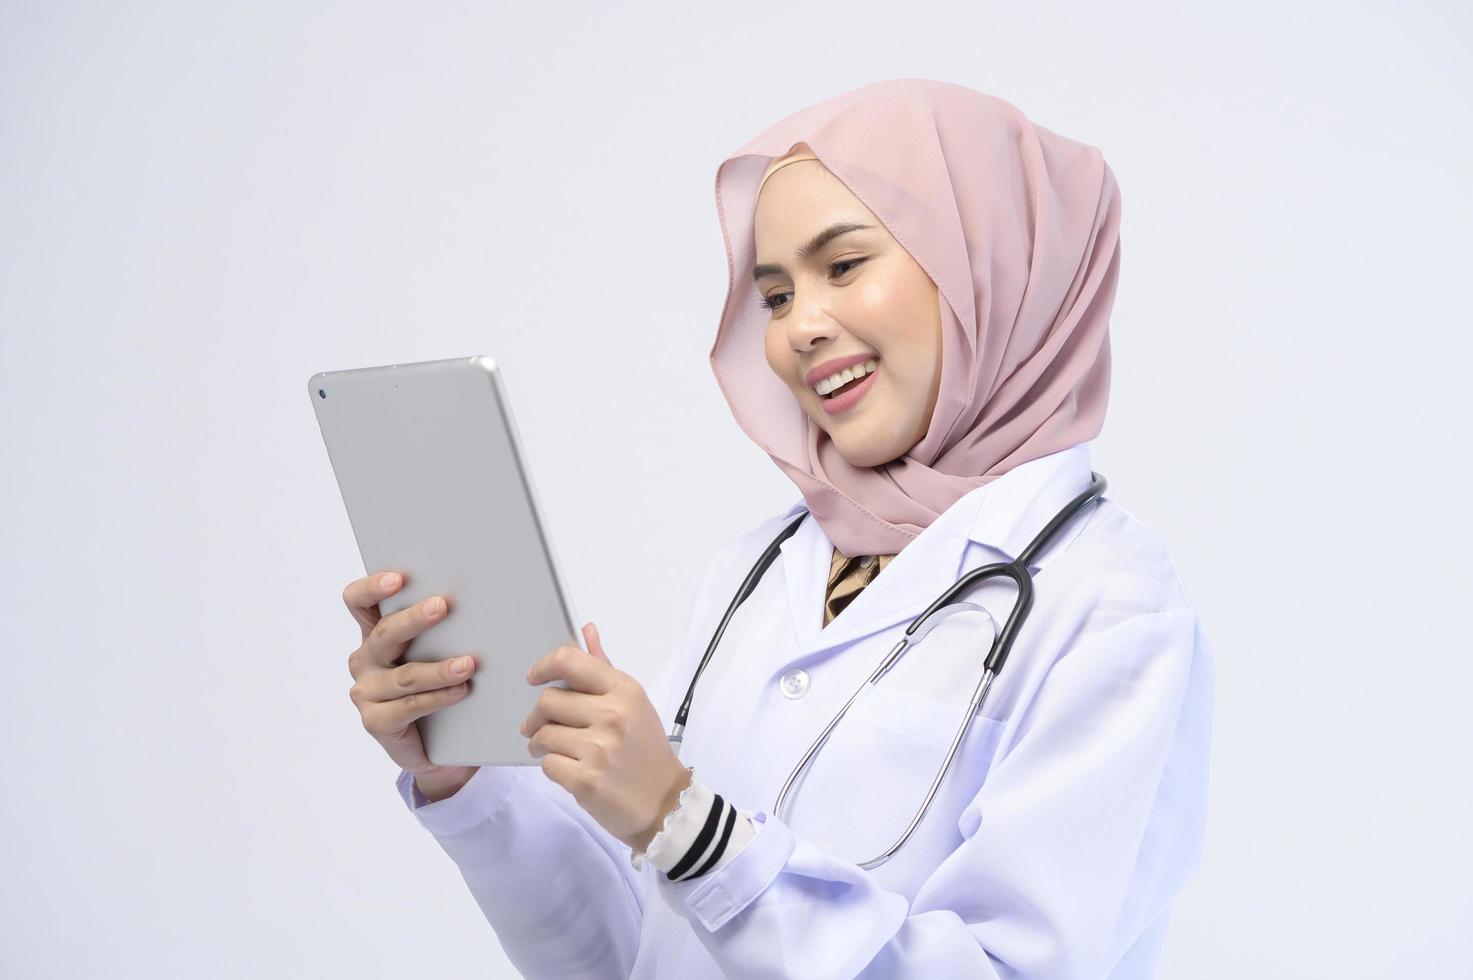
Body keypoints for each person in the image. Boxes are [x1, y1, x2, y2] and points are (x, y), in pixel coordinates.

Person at [341, 77, 1214, 979]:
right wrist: (467, 774)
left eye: (841, 266)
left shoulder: (1108, 607)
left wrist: (686, 826)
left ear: (985, 267)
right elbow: (640, 953)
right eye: (774, 294)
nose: (800, 327)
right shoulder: (762, 569)